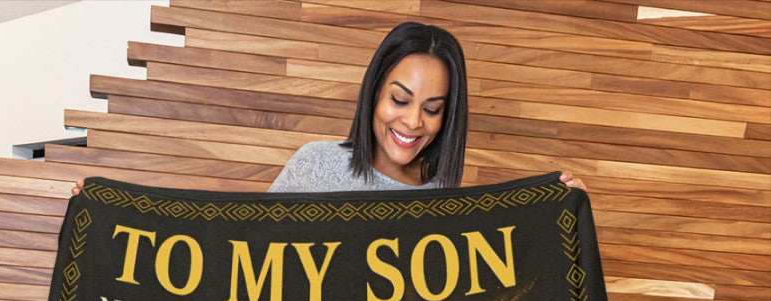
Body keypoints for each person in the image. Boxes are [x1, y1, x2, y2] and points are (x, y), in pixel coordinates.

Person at [73, 22, 584, 196]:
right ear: (373, 94)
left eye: (432, 109)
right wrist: (113, 214)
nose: (412, 122)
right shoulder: (316, 166)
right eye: (399, 99)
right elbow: (235, 249)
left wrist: (557, 213)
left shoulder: (446, 203)